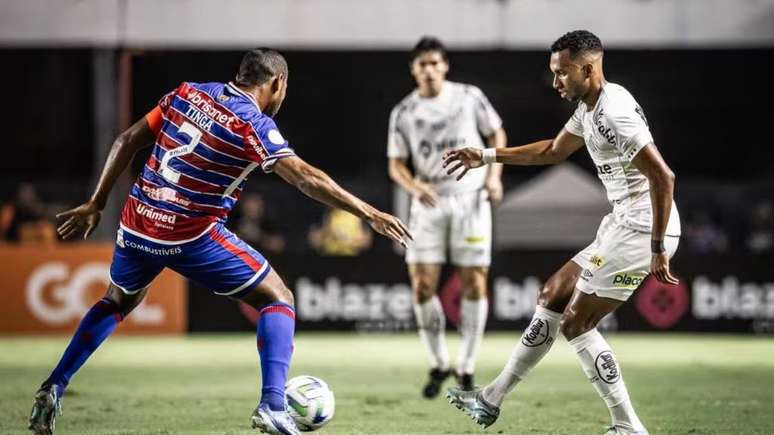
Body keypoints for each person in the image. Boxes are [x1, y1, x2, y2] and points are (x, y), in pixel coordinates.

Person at [28, 48, 411, 435]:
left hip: (138, 223)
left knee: (117, 300)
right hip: (190, 234)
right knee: (278, 298)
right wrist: (370, 213)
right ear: (277, 84)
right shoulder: (252, 123)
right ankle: (273, 406)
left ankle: (54, 385)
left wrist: (96, 203)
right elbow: (306, 178)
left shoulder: (187, 93)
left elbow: (126, 140)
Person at [443, 30, 680, 435]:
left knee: (576, 324)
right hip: (621, 223)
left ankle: (628, 426)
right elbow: (553, 151)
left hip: (642, 229)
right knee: (552, 294)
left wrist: (658, 247)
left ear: (587, 69)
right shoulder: (590, 109)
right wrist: (484, 155)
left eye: (562, 73)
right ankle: (491, 398)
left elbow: (663, 176)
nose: (556, 82)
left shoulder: (613, 112)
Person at [387, 36, 507, 397]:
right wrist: (413, 187)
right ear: (413, 70)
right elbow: (396, 165)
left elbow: (496, 130)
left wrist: (494, 174)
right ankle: (439, 361)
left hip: (470, 198)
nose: (429, 70)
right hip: (428, 201)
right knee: (422, 285)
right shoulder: (403, 112)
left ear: (445, 66)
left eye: (435, 63)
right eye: (422, 64)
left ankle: (467, 366)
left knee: (474, 282)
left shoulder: (468, 96)